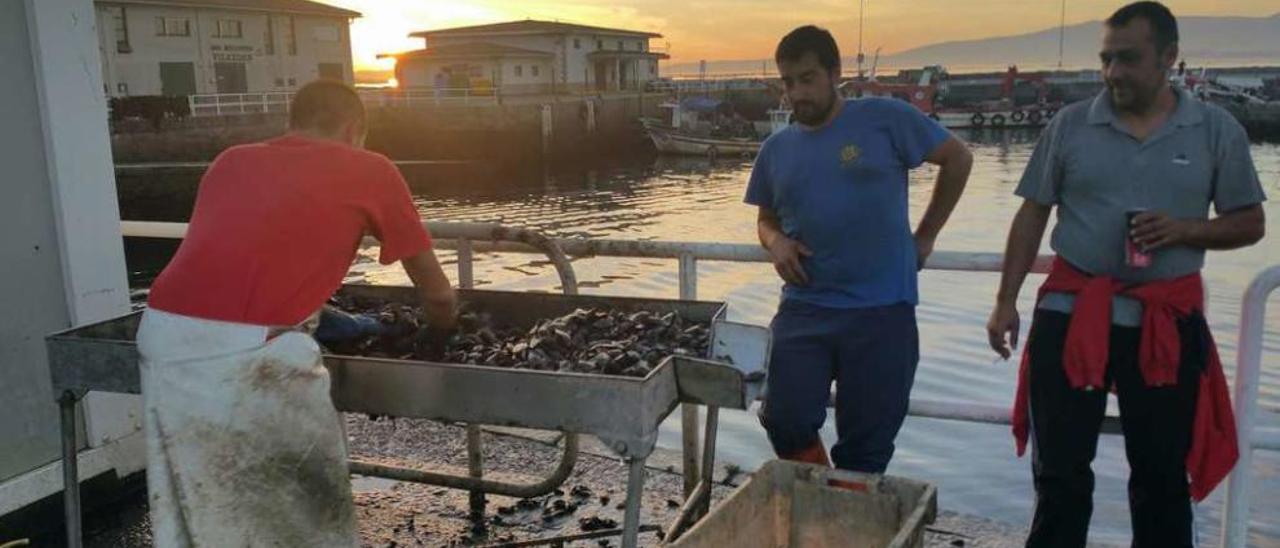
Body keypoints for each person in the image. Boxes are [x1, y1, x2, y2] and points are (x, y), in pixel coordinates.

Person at [985, 3, 1266, 546]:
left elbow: (1249, 222)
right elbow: (1031, 213)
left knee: (1161, 477)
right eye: (1107, 59)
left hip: (1165, 322)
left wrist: (1186, 231)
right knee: (1060, 475)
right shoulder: (1071, 125)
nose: (1114, 72)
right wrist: (1005, 300)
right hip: (1071, 314)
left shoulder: (1214, 129)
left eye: (1129, 59)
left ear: (1168, 57)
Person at [136, 79, 457, 546]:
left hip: (162, 333)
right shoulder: (372, 169)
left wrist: (338, 320)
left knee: (201, 501)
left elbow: (240, 265)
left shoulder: (231, 161)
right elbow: (439, 296)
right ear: (354, 130)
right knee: (305, 515)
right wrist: (441, 332)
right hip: (247, 356)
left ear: (293, 124)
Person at [746, 25, 972, 474]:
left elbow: (958, 159)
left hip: (882, 311)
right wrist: (777, 242)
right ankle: (828, 495)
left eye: (807, 79)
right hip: (805, 307)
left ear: (835, 73)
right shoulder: (776, 149)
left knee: (867, 446)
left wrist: (926, 236)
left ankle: (844, 520)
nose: (797, 94)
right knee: (784, 418)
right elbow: (765, 219)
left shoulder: (886, 118)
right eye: (788, 82)